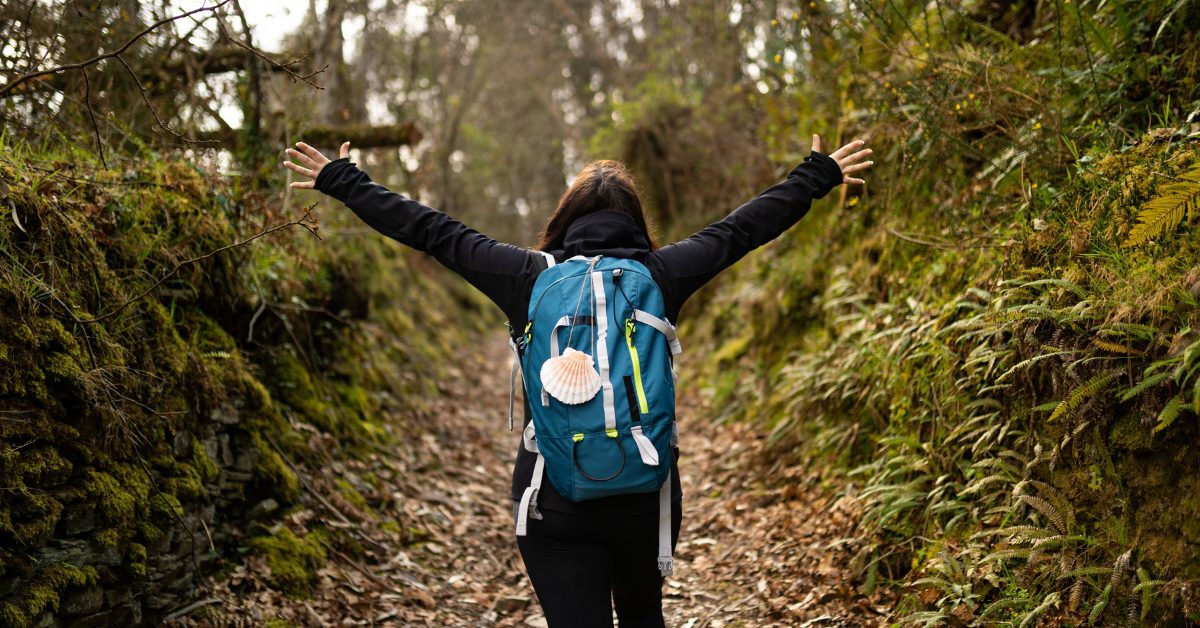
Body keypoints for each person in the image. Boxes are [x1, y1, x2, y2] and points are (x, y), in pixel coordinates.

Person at [283, 135, 872, 627]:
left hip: (552, 503)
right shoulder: (662, 274)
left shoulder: (525, 275)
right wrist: (816, 175)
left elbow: (434, 231)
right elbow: (743, 228)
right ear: (636, 224)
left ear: (563, 223)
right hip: (645, 494)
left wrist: (343, 180)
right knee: (642, 617)